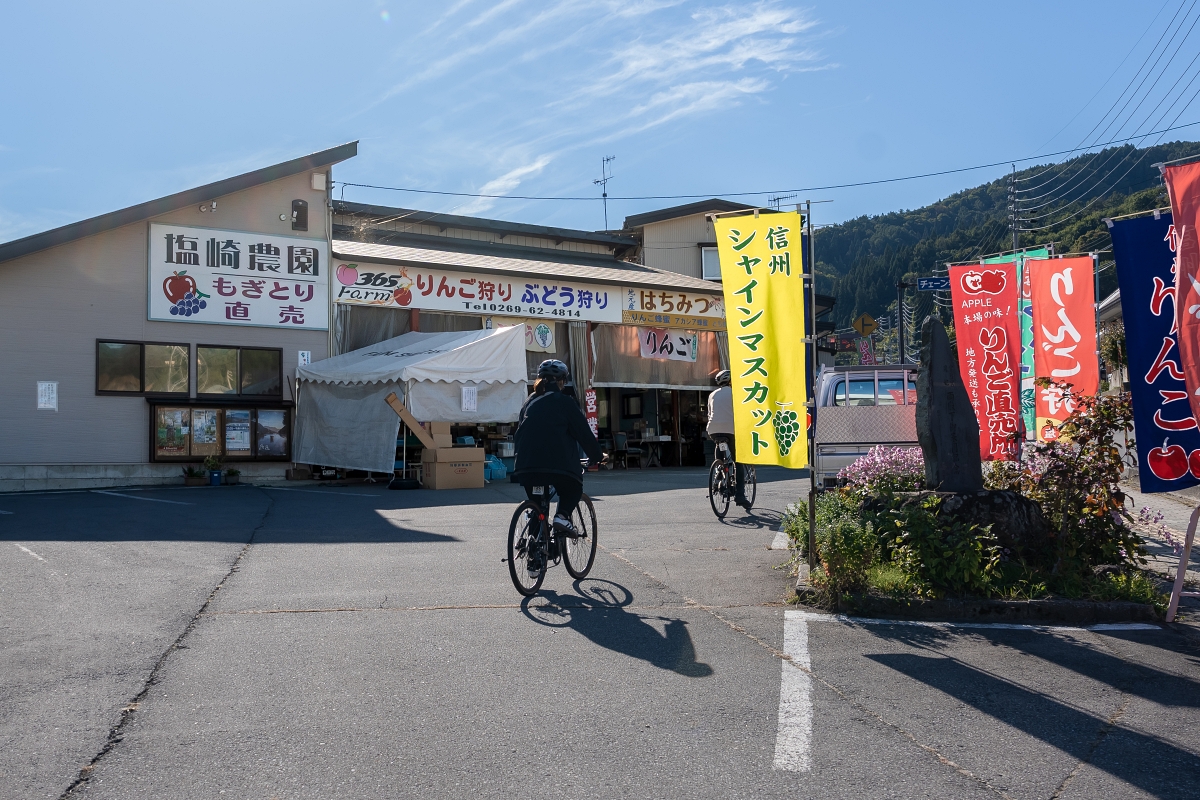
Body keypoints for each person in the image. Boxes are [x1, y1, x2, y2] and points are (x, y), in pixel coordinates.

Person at [514, 360, 604, 575]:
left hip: (526, 466)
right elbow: (583, 433)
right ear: (562, 382)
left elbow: (519, 430)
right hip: (559, 465)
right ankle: (563, 516)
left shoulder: (529, 402)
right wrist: (598, 456)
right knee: (573, 488)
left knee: (537, 508)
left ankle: (534, 561)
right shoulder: (565, 402)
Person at [706, 369, 750, 508]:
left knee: (720, 446)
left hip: (713, 430)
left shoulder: (712, 395)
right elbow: (742, 414)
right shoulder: (736, 394)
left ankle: (719, 470)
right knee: (739, 462)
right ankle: (740, 496)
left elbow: (709, 414)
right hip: (731, 429)